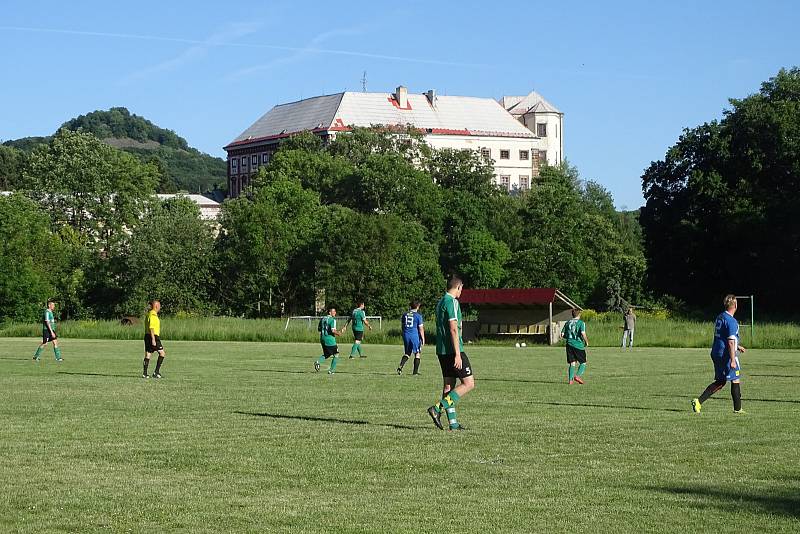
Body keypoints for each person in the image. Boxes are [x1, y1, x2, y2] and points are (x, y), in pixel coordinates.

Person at [427, 276, 474, 431]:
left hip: (441, 350)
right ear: (458, 287)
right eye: (462, 289)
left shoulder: (440, 302)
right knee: (468, 383)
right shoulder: (452, 301)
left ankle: (453, 424)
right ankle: (437, 408)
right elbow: (453, 329)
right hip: (454, 350)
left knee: (448, 385)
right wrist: (458, 354)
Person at [692, 295, 747, 414]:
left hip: (716, 352)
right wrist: (733, 359)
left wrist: (738, 346)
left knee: (721, 381)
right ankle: (738, 409)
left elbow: (723, 336)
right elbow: (730, 341)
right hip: (726, 355)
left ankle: (698, 402)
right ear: (736, 305)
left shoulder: (720, 317)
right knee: (735, 378)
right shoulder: (732, 321)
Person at [561, 309, 589, 384]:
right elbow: (583, 333)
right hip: (578, 345)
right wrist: (586, 341)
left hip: (569, 344)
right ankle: (577, 376)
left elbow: (562, 334)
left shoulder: (567, 323)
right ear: (579, 315)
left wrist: (569, 337)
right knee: (583, 362)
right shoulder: (581, 323)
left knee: (572, 363)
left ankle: (570, 380)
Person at [397, 300, 425, 375]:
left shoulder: (404, 314)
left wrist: (404, 334)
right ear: (418, 306)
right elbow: (421, 329)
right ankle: (415, 372)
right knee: (417, 353)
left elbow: (403, 326)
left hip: (406, 335)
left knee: (407, 353)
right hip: (414, 336)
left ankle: (400, 367)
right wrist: (423, 338)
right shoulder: (418, 316)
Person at [314, 306, 342, 375]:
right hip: (330, 340)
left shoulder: (322, 319)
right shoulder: (332, 320)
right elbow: (333, 331)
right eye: (333, 311)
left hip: (322, 338)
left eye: (335, 311)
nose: (335, 313)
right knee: (336, 354)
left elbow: (319, 329)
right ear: (330, 312)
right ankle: (331, 370)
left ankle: (318, 362)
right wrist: (339, 333)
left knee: (327, 354)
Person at [143, 300, 166, 379]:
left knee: (148, 353)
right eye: (159, 306)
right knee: (162, 353)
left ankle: (145, 373)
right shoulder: (153, 315)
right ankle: (156, 372)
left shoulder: (149, 314)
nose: (160, 307)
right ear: (156, 306)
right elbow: (151, 327)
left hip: (147, 336)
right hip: (153, 336)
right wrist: (153, 339)